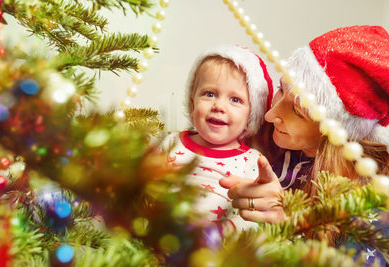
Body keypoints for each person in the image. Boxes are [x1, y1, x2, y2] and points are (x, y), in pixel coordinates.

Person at [219, 25, 389, 264]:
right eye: (281, 88)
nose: (270, 115)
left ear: (332, 132)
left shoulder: (371, 202)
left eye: (297, 112)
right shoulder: (268, 139)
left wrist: (287, 225)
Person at [161, 44, 273, 234]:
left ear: (250, 118)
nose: (219, 106)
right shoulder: (171, 142)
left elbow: (254, 213)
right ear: (192, 102)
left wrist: (224, 233)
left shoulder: (253, 161)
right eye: (209, 94)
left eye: (235, 100)